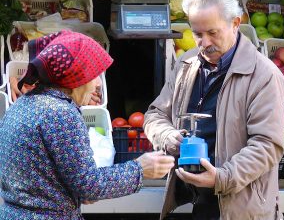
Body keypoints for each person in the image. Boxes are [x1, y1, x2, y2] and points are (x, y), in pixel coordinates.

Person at [144, 0, 284, 220]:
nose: (204, 42)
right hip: (193, 203)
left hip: (240, 207)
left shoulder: (263, 75)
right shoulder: (186, 64)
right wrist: (168, 137)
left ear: (235, 23)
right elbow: (155, 115)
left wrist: (222, 177)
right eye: (198, 34)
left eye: (213, 32)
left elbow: (267, 145)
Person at [0, 30, 175, 219]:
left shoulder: (22, 105)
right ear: (76, 77)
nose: (98, 83)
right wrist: (141, 169)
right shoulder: (61, 113)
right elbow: (89, 185)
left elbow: (45, 177)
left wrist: (75, 191)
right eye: (94, 75)